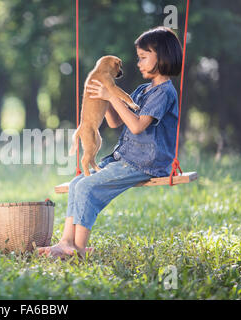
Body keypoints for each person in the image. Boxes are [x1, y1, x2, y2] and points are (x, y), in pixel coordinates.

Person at [38, 26, 183, 259]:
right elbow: (116, 121)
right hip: (124, 158)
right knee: (77, 183)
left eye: (144, 58)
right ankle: (66, 241)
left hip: (145, 162)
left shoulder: (164, 93)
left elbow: (136, 126)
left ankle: (78, 249)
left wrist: (111, 96)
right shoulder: (143, 90)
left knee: (87, 187)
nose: (138, 63)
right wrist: (102, 95)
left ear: (163, 57)